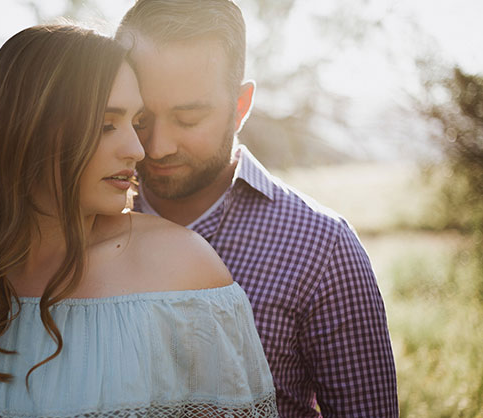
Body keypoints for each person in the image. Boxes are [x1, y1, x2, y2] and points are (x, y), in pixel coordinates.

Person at [0, 24, 278, 417]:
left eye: (136, 122)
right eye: (106, 125)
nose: (138, 149)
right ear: (27, 130)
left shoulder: (183, 273)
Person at [115, 1, 398, 416]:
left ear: (241, 106)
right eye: (140, 118)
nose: (157, 146)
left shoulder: (322, 249)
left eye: (189, 118)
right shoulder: (79, 226)